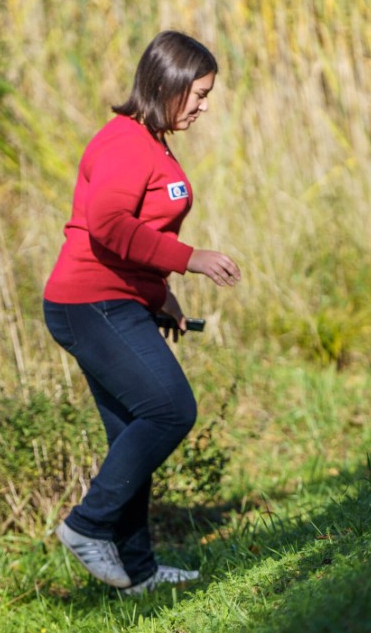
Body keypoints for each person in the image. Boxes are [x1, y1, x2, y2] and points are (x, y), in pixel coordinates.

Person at [43, 31, 241, 595]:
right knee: (170, 411)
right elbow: (108, 228)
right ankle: (87, 525)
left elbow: (140, 233)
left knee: (133, 431)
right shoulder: (125, 142)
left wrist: (160, 295)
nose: (204, 106)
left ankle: (137, 570)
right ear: (168, 84)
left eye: (208, 95)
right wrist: (189, 260)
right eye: (198, 94)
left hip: (119, 298)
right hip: (90, 301)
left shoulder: (152, 141)